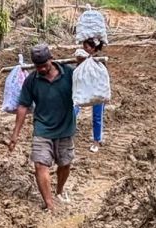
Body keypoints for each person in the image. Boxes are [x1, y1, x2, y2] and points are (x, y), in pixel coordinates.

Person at [7, 43, 76, 212]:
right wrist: (15, 134)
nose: (42, 70)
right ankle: (49, 203)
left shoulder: (69, 73)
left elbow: (86, 85)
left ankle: (59, 191)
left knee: (65, 164)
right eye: (38, 67)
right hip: (42, 129)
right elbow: (23, 106)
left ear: (51, 60)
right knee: (40, 164)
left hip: (65, 127)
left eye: (45, 66)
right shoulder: (31, 80)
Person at [73, 38, 106, 152]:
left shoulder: (99, 61)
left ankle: (96, 141)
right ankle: (68, 133)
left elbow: (101, 78)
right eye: (84, 47)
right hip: (82, 89)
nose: (84, 50)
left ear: (93, 48)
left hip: (97, 90)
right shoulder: (82, 59)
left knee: (97, 116)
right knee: (73, 109)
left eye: (86, 47)